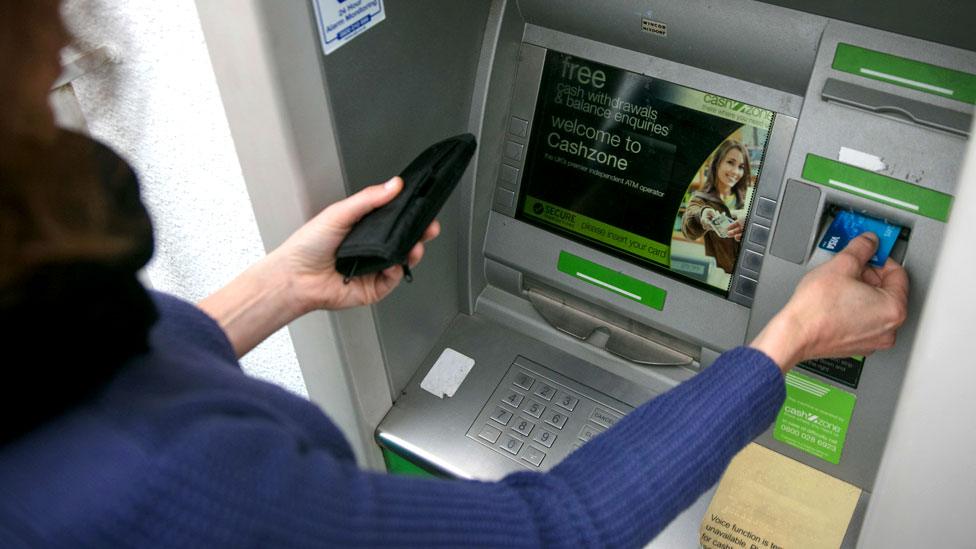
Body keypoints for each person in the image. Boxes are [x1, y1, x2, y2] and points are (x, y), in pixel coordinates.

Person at [0, 3, 909, 547]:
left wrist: (280, 285)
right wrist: (786, 340)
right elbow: (552, 533)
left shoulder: (40, 328)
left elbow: (98, 359)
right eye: (48, 61)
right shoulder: (160, 487)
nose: (69, 55)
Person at [681, 140, 752, 274]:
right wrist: (701, 215)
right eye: (730, 162)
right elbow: (688, 226)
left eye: (741, 166)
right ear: (717, 163)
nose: (735, 171)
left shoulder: (746, 199)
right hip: (722, 276)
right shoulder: (701, 199)